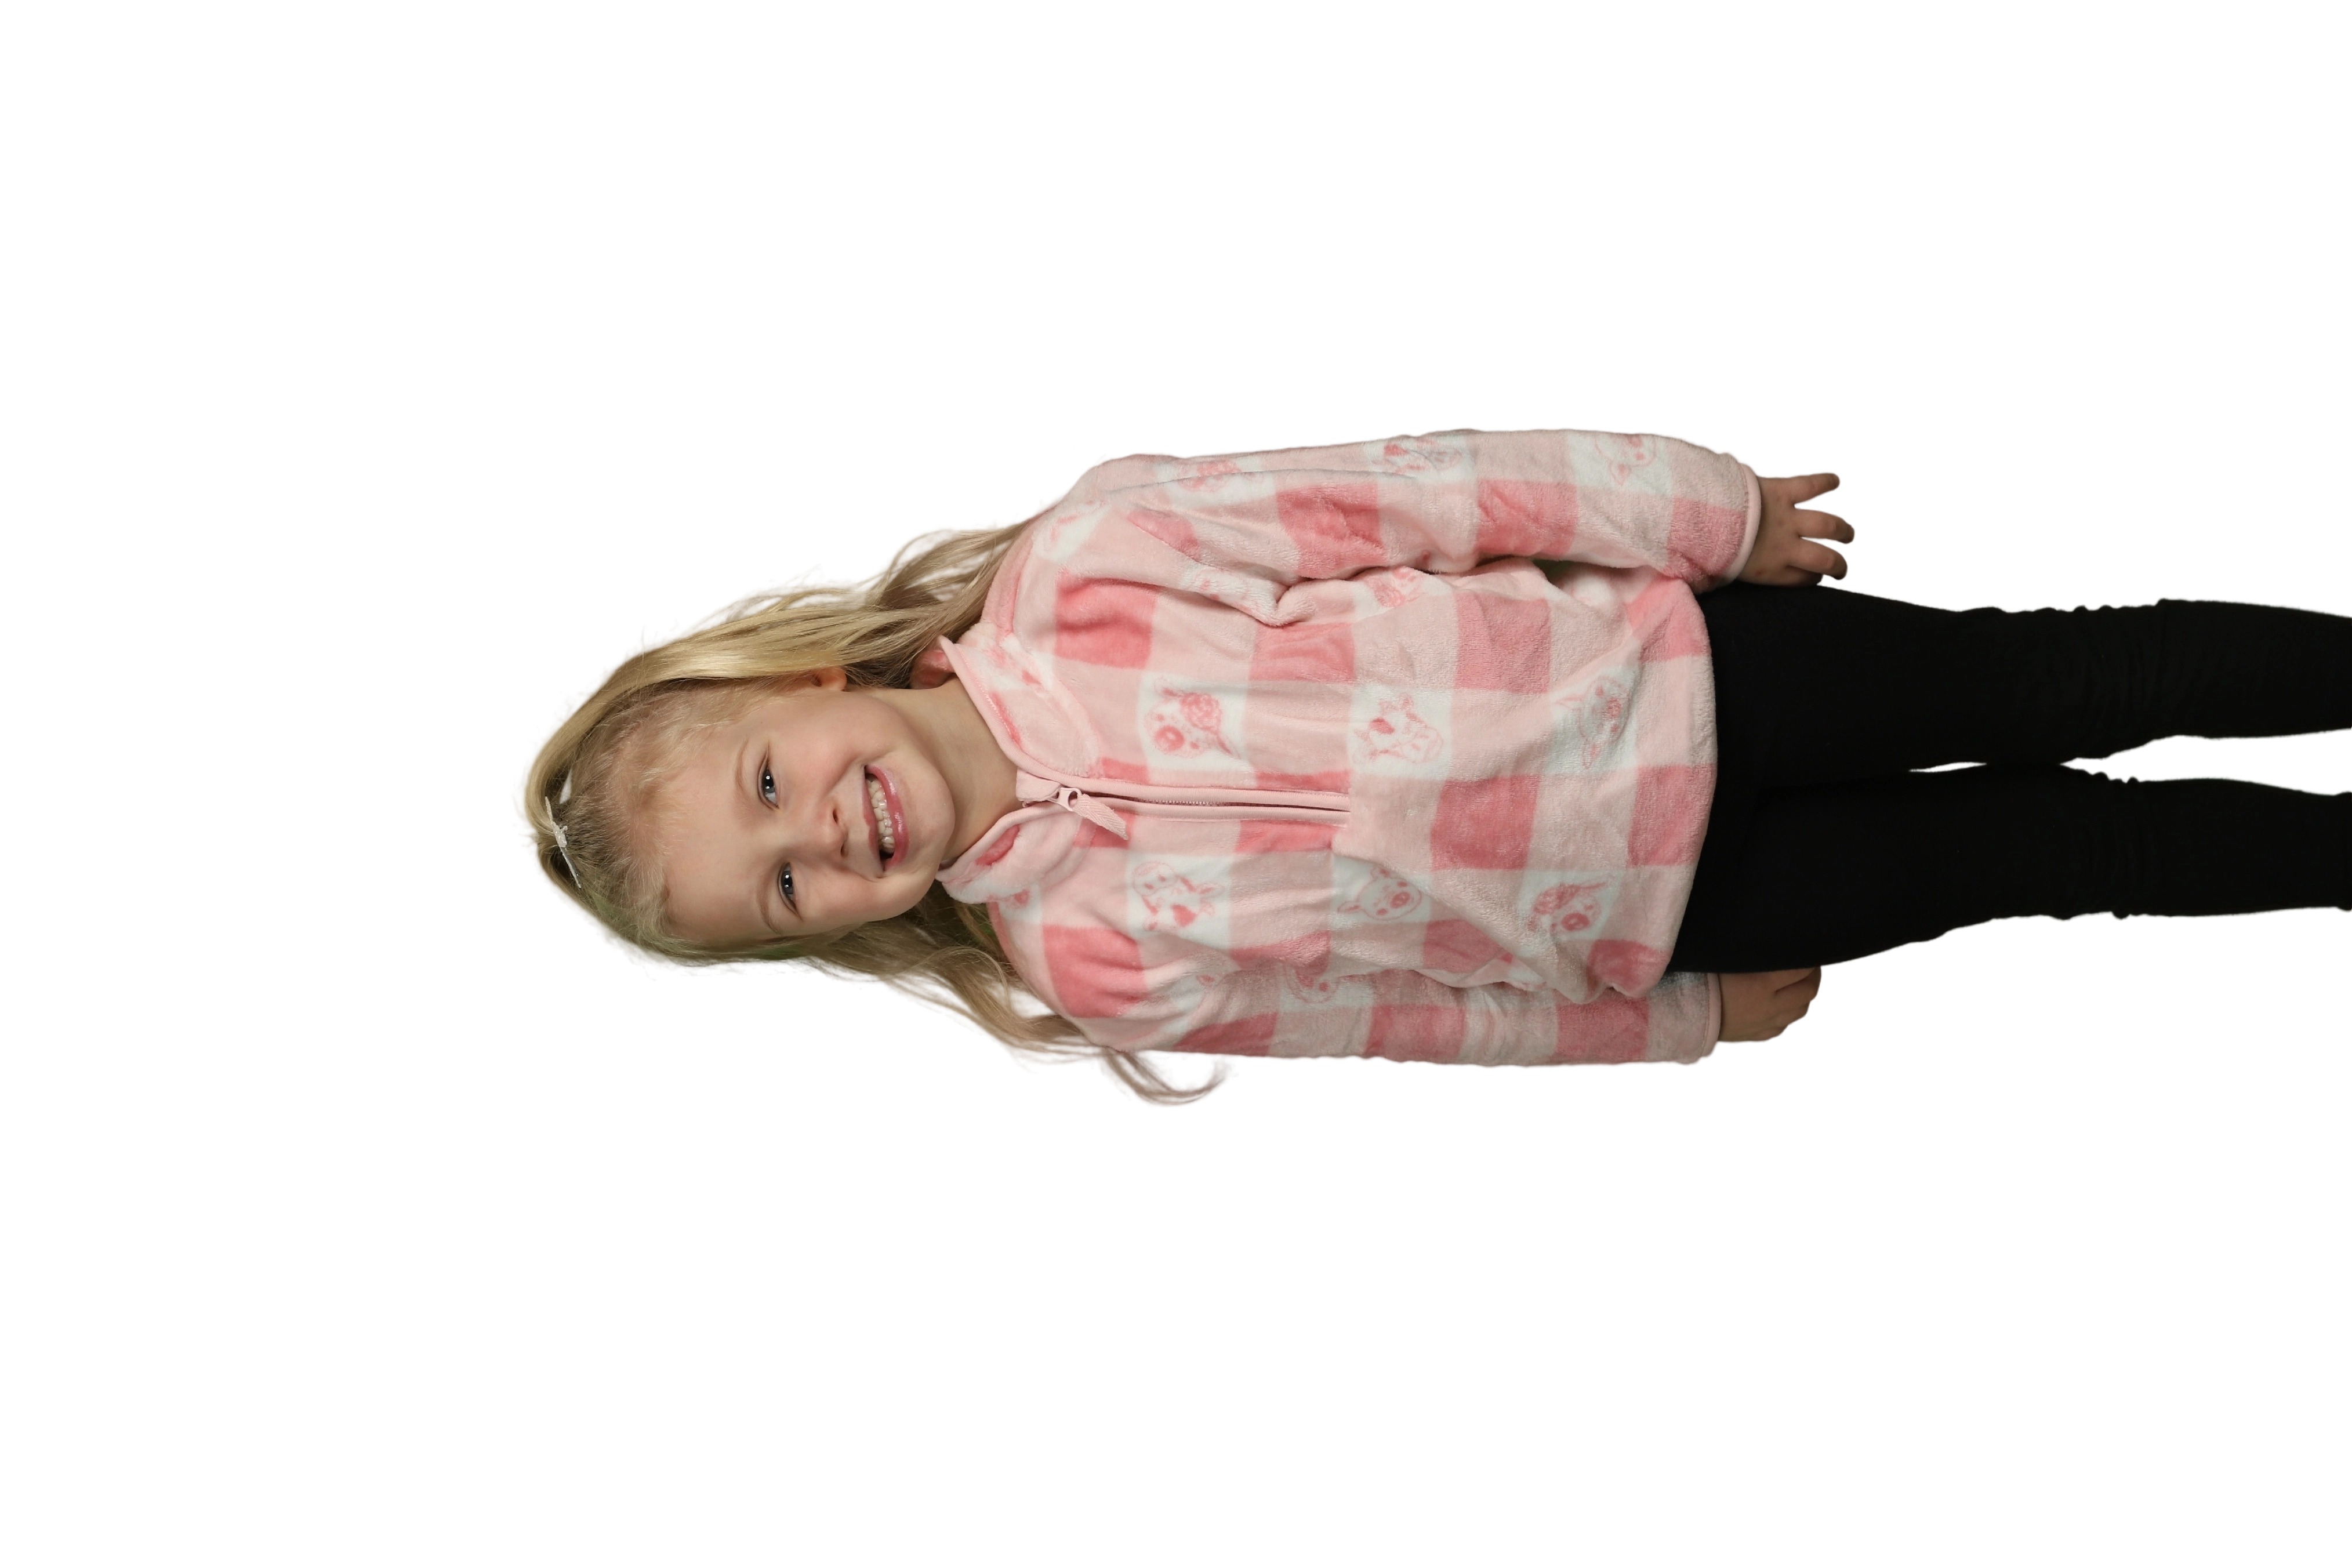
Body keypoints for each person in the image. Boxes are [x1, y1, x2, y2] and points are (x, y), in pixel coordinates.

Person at [510, 424, 2352, 1108]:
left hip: (1711, 672)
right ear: (828, 936)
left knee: (2068, 682)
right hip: (1681, 914)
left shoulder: (1093, 564)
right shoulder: (1097, 967)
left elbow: (1416, 498)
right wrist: (1670, 1027)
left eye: (769, 785)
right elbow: (1402, 1023)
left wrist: (1698, 512)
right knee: (2063, 856)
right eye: (783, 891)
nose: (824, 836)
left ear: (802, 676)